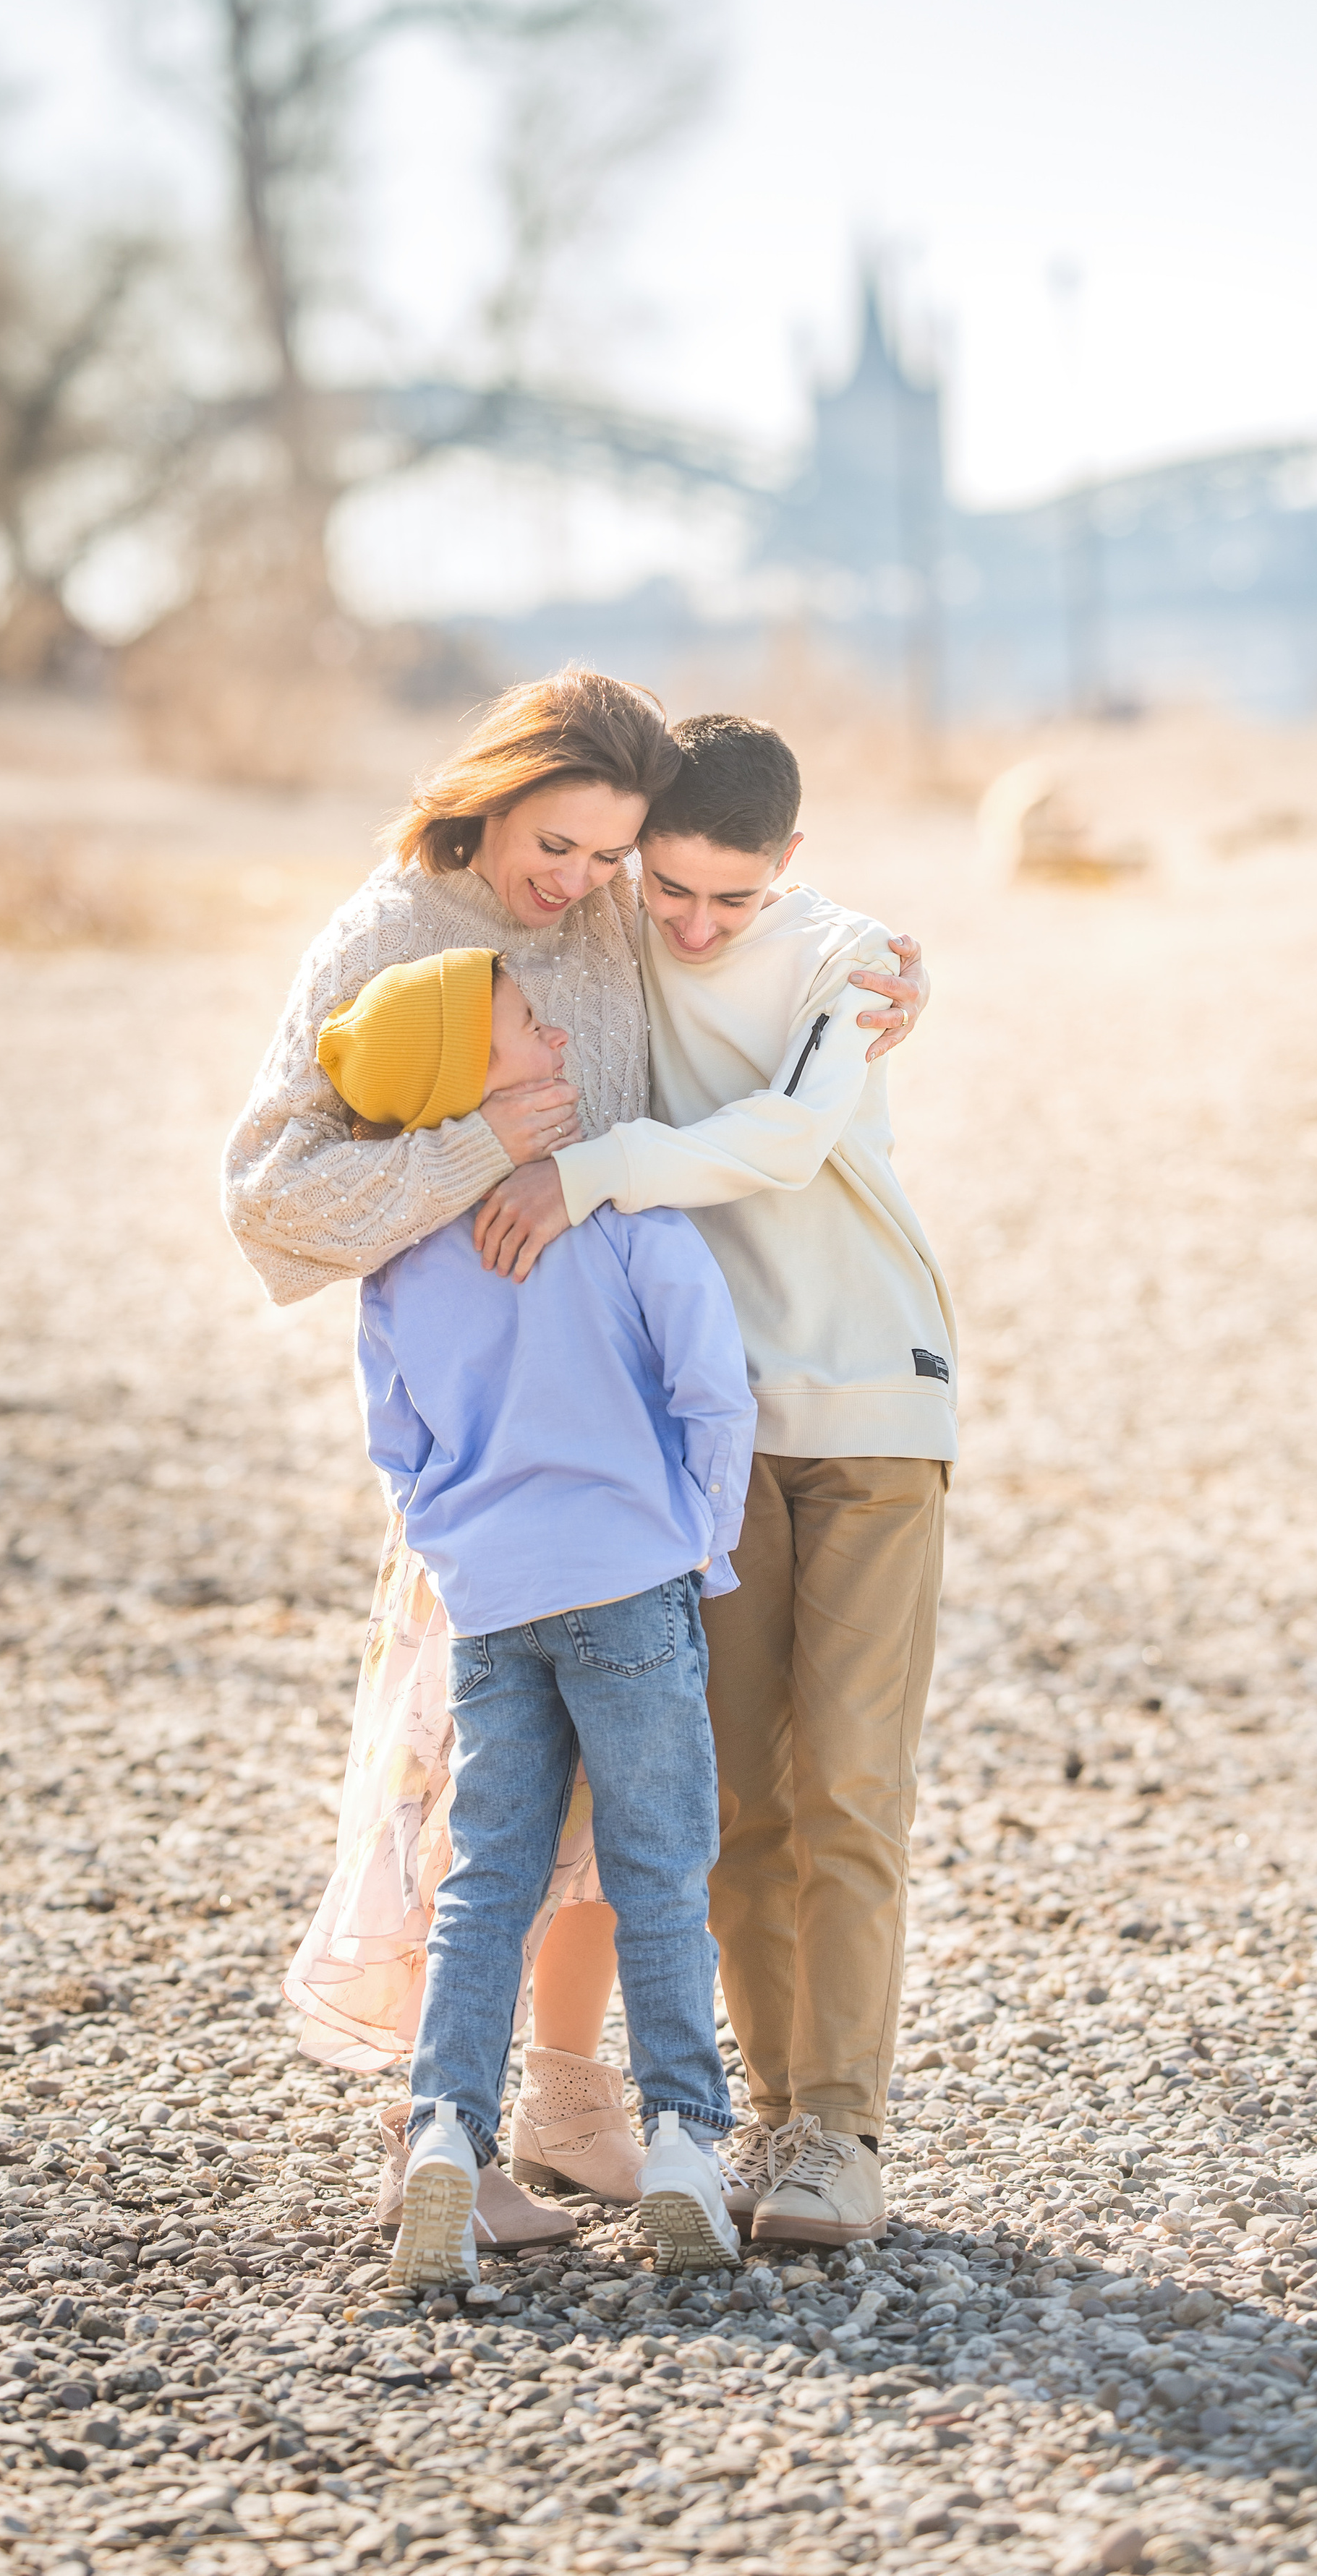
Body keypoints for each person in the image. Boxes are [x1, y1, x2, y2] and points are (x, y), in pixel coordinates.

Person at [220, 667, 928, 2220]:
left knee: (617, 1810)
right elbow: (272, 1193)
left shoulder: (617, 912)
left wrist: (867, 973)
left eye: (609, 856)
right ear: (490, 795)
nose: (584, 887)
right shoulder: (388, 934)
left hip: (630, 1438)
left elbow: (740, 909)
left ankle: (573, 2101)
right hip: (487, 1451)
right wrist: (491, 1144)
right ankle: (446, 2133)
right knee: (475, 1802)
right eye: (558, 848)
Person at [472, 714, 956, 2247]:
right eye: (668, 889)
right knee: (737, 1793)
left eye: (728, 901)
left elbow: (793, 1137)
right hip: (715, 1430)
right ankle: (770, 2127)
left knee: (851, 1788)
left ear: (786, 871)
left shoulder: (842, 960)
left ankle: (848, 2136)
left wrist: (588, 1174)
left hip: (879, 1405)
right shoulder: (612, 928)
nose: (692, 926)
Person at [316, 945, 755, 2285]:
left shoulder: (396, 1261)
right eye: (523, 1022)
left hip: (495, 1603)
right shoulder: (618, 1212)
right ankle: (684, 2138)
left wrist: (466, 1557)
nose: (555, 1036)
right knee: (660, 1872)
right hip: (632, 1578)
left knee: (487, 1877)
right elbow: (715, 1394)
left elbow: (399, 1451)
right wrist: (699, 1546)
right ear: (468, 1074)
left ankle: (447, 2129)